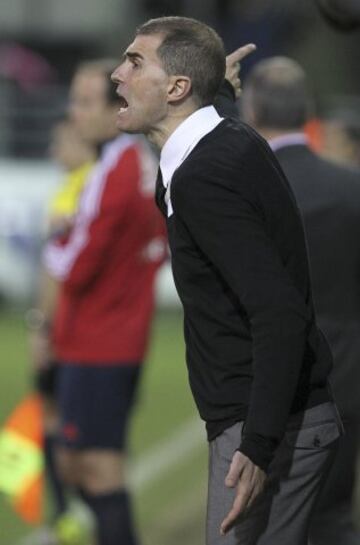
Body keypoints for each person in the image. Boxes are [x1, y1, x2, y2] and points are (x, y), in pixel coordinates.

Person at [111, 16, 342, 545]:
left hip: (268, 427)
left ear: (176, 88)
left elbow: (278, 311)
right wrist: (221, 95)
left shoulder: (205, 175)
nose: (118, 75)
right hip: (279, 419)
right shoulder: (221, 142)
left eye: (135, 62)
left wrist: (258, 445)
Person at [43, 59, 167, 545]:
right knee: (81, 462)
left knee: (95, 468)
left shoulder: (112, 167)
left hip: (97, 341)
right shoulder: (142, 162)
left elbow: (73, 265)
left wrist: (56, 236)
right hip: (119, 334)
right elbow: (161, 245)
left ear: (117, 106)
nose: (74, 113)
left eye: (84, 101)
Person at [242, 56, 360, 545]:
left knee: (256, 520)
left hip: (265, 389)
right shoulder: (351, 187)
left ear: (252, 109)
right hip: (346, 378)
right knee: (331, 518)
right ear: (306, 112)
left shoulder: (243, 187)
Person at [28, 118, 96, 523]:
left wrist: (41, 326)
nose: (54, 152)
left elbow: (58, 269)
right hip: (73, 328)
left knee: (59, 421)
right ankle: (68, 509)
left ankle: (69, 509)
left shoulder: (82, 190)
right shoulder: (75, 186)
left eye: (60, 143)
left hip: (68, 330)